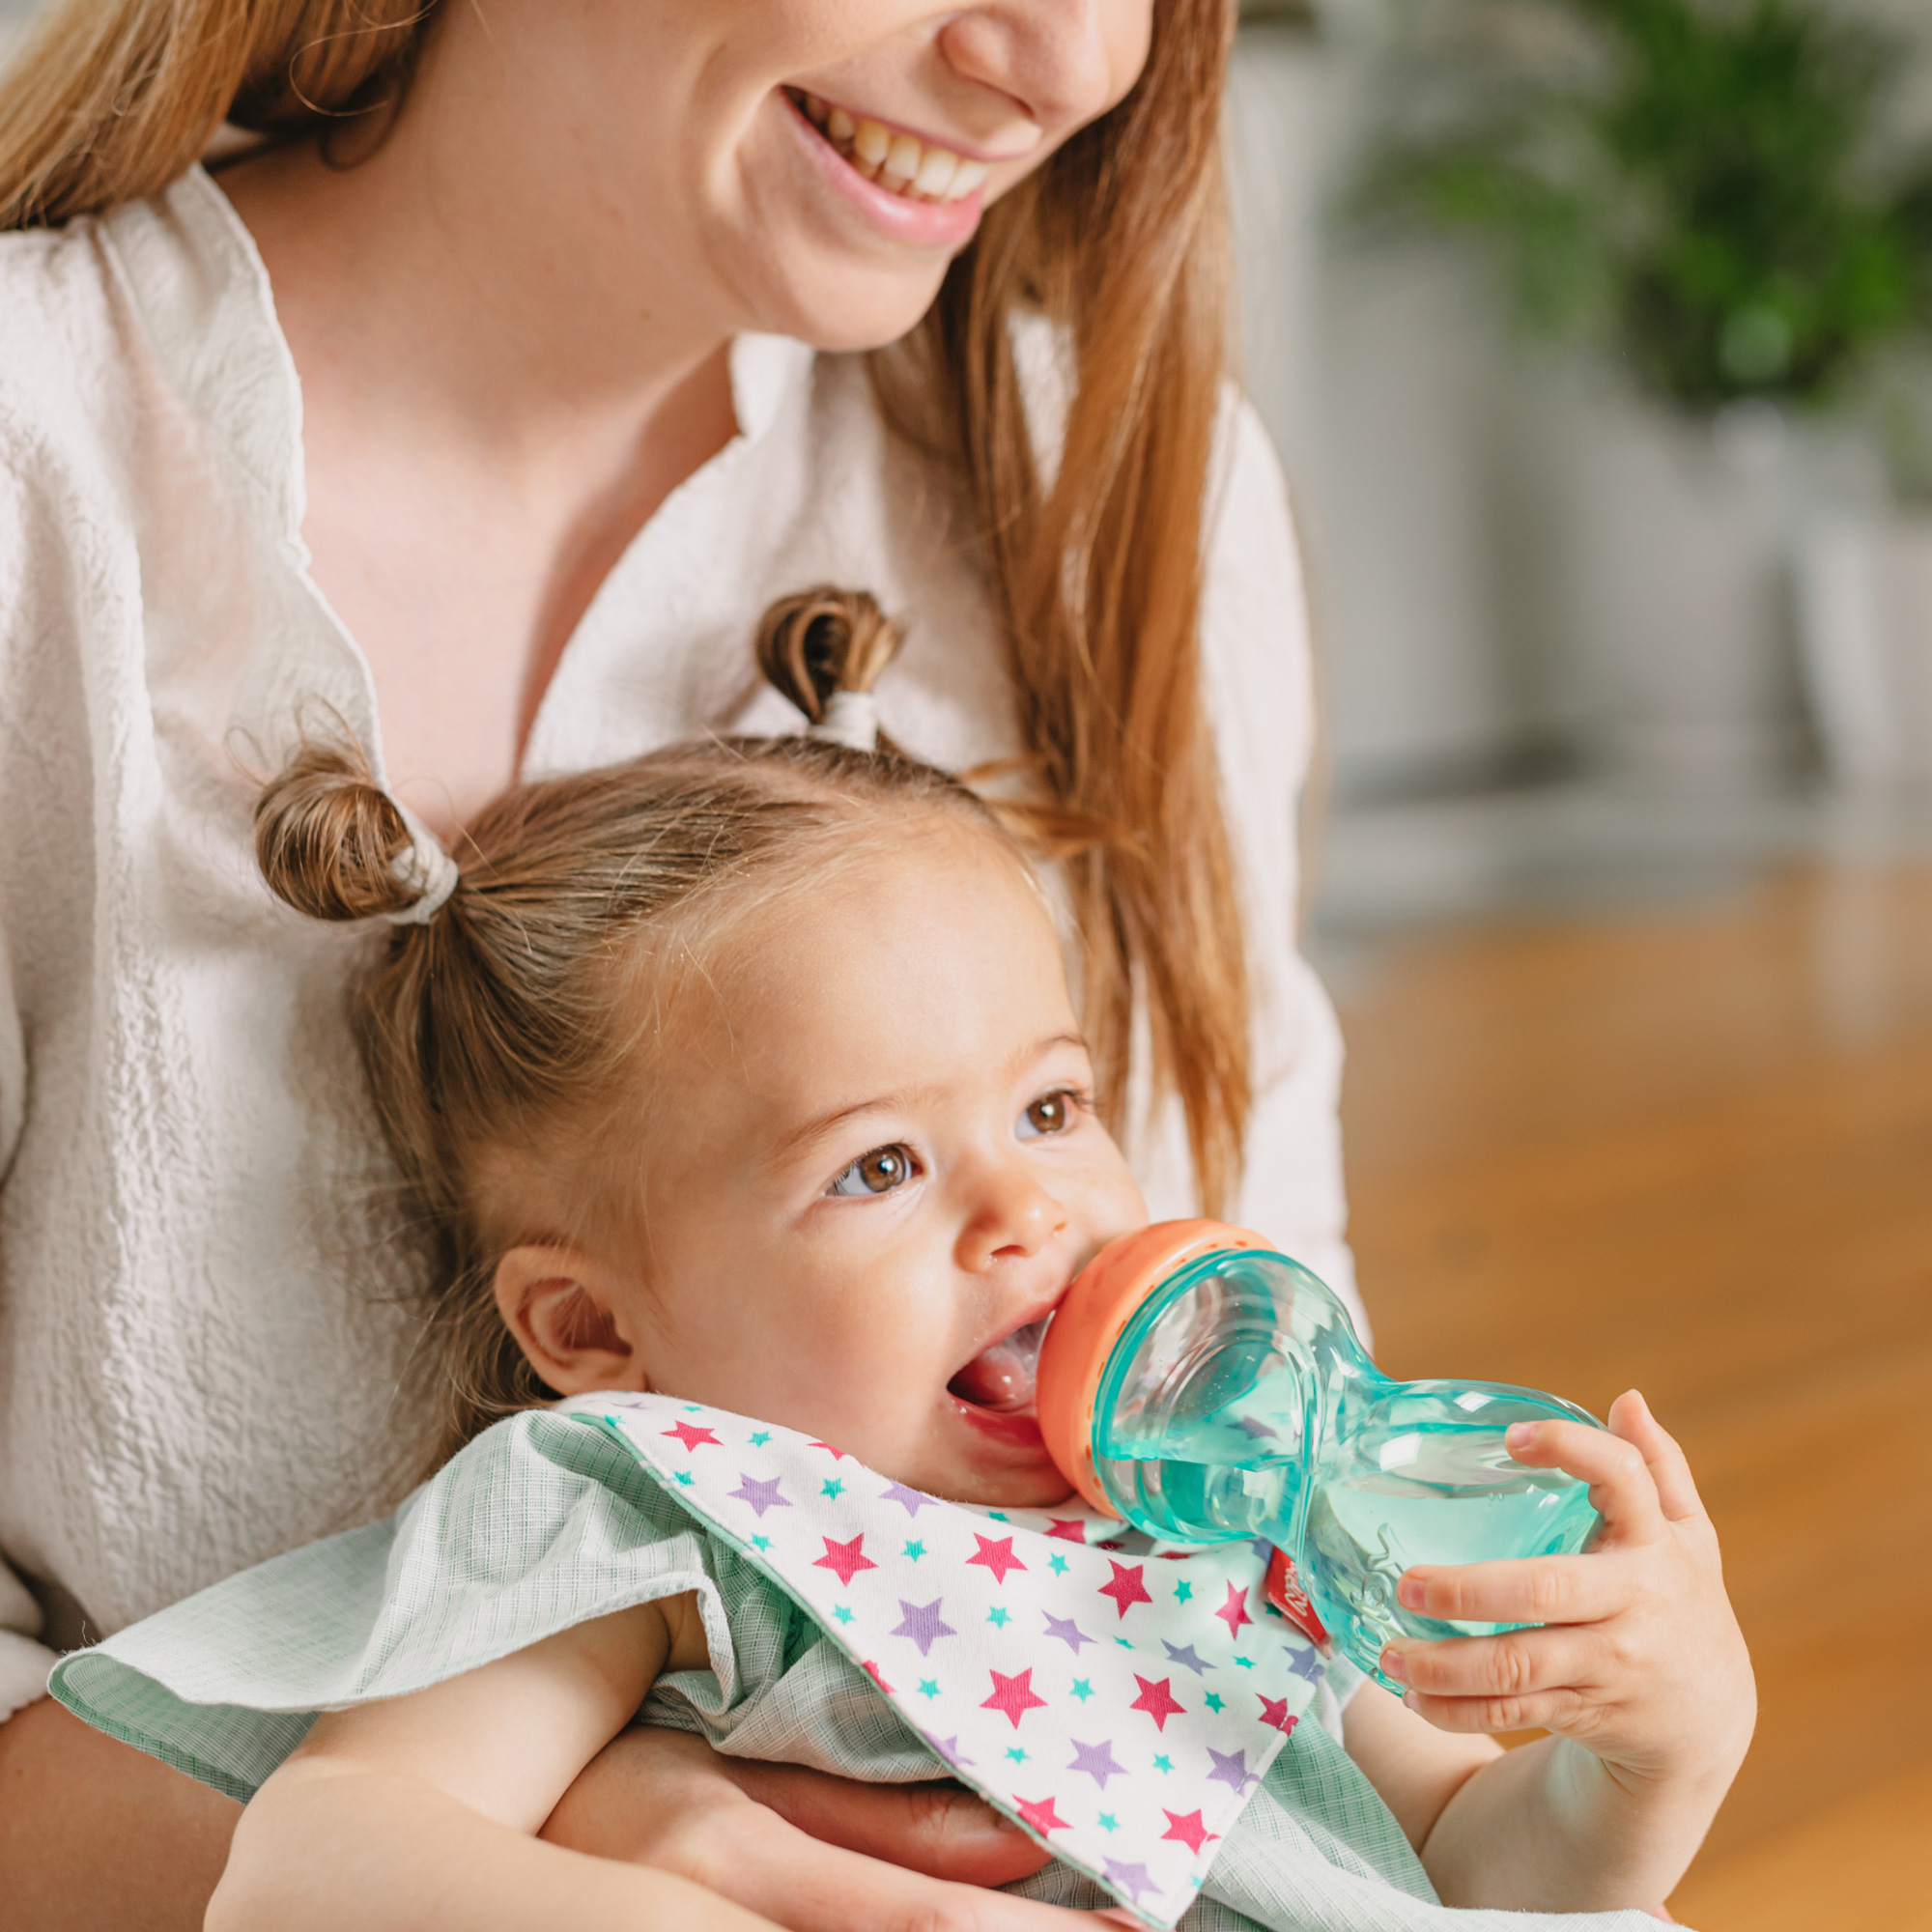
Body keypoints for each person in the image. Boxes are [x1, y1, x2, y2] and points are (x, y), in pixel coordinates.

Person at [0, 0, 1448, 1921]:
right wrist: (591, 1851)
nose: (1073, 58)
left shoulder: (1092, 476)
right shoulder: (46, 480)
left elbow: (1266, 1453)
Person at [47, 590, 1753, 1931]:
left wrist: (1653, 1756)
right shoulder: (669, 1516)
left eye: (1054, 1103)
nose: (1028, 1211)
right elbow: (313, 1875)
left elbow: (1470, 1868)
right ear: (595, 1327)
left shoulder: (1209, 1514)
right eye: (878, 1164)